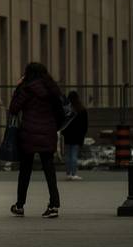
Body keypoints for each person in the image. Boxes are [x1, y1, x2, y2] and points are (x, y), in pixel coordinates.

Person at [8, 62, 62, 218]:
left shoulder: (26, 88)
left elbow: (13, 109)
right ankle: (54, 206)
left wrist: (17, 88)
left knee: (25, 170)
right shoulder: (52, 88)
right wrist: (53, 126)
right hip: (48, 131)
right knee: (49, 170)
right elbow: (60, 111)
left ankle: (19, 205)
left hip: (28, 133)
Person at [62, 90, 89, 181]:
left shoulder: (67, 110)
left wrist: (63, 133)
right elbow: (85, 125)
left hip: (67, 135)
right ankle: (73, 173)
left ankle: (68, 173)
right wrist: (82, 134)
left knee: (68, 155)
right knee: (74, 155)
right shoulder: (82, 110)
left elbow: (63, 123)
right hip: (77, 135)